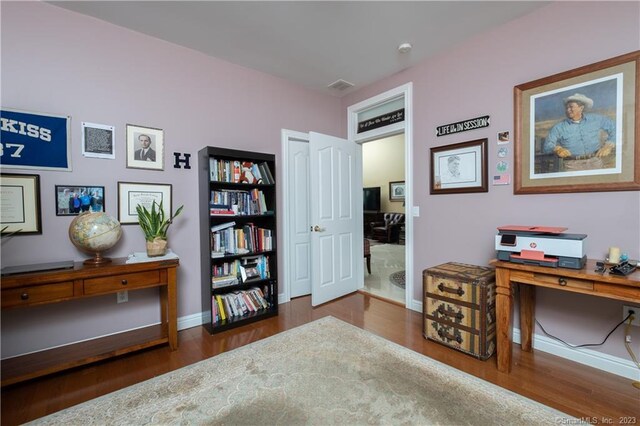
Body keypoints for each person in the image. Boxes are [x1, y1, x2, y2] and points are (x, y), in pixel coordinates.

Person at [542, 93, 615, 171]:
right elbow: (547, 146)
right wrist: (557, 149)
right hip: (571, 165)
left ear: (581, 108)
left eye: (571, 107)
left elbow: (615, 129)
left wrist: (609, 145)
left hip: (595, 162)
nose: (568, 110)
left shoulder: (596, 119)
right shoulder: (559, 127)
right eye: (566, 108)